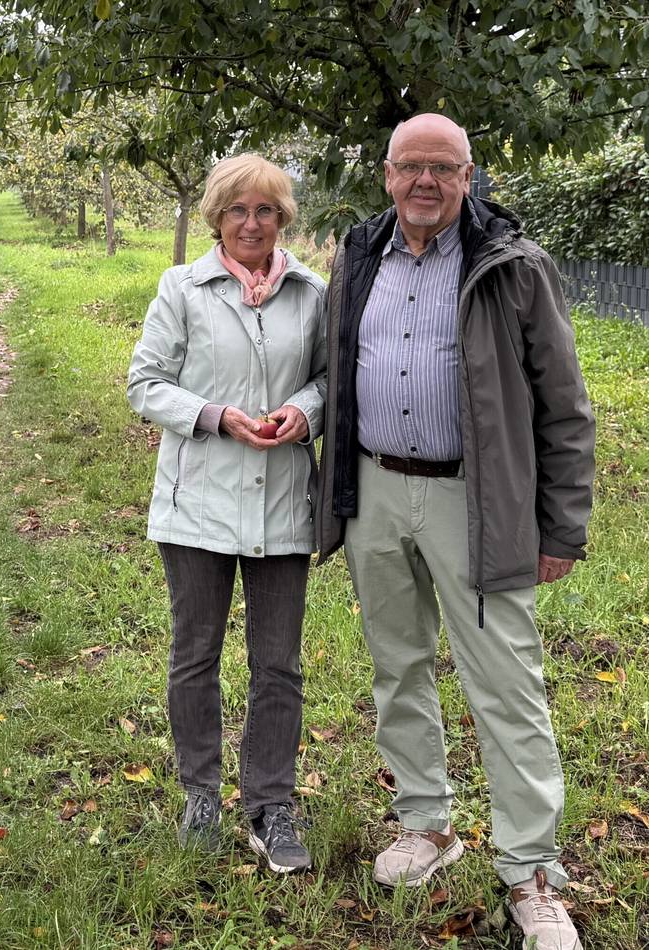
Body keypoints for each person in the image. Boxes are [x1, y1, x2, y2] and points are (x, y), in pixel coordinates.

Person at [315, 114, 595, 949]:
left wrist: (561, 527)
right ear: (387, 174)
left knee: (506, 684)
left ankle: (531, 871)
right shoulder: (358, 255)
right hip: (375, 488)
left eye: (443, 167)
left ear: (469, 177)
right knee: (397, 666)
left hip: (477, 502)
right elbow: (333, 366)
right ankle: (427, 824)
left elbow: (565, 406)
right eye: (411, 166)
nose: (425, 182)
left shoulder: (512, 265)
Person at [128, 153, 326, 873]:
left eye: (266, 210)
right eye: (238, 210)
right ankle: (201, 794)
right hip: (198, 505)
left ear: (283, 219)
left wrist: (304, 411)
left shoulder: (312, 293)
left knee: (278, 664)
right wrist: (215, 415)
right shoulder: (182, 289)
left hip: (282, 504)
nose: (251, 223)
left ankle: (271, 803)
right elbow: (145, 383)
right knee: (196, 656)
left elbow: (333, 378)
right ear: (216, 216)